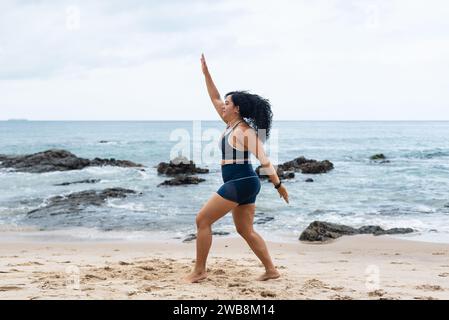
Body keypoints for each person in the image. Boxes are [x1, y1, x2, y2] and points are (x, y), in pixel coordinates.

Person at [183, 54, 289, 283]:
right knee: (246, 230)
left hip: (241, 182)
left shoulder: (245, 131)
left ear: (237, 108)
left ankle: (199, 271)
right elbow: (214, 97)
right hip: (241, 184)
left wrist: (279, 185)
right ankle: (271, 270)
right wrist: (206, 74)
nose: (223, 106)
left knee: (202, 220)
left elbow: (265, 161)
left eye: (228, 104)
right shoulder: (231, 124)